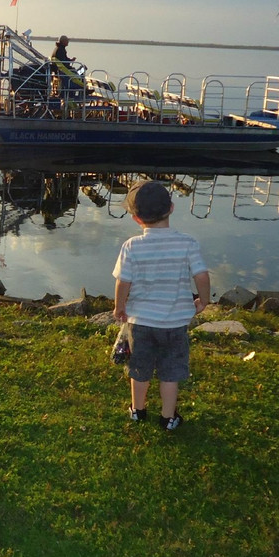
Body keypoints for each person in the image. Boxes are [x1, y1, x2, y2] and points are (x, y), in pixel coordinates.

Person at [112, 181, 210, 431]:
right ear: (171, 208)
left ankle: (138, 410)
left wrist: (119, 307)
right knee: (170, 372)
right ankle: (168, 418)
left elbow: (123, 282)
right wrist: (203, 300)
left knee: (139, 368)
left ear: (136, 218)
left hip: (141, 323)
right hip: (175, 323)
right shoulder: (187, 243)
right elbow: (201, 275)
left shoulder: (131, 246)